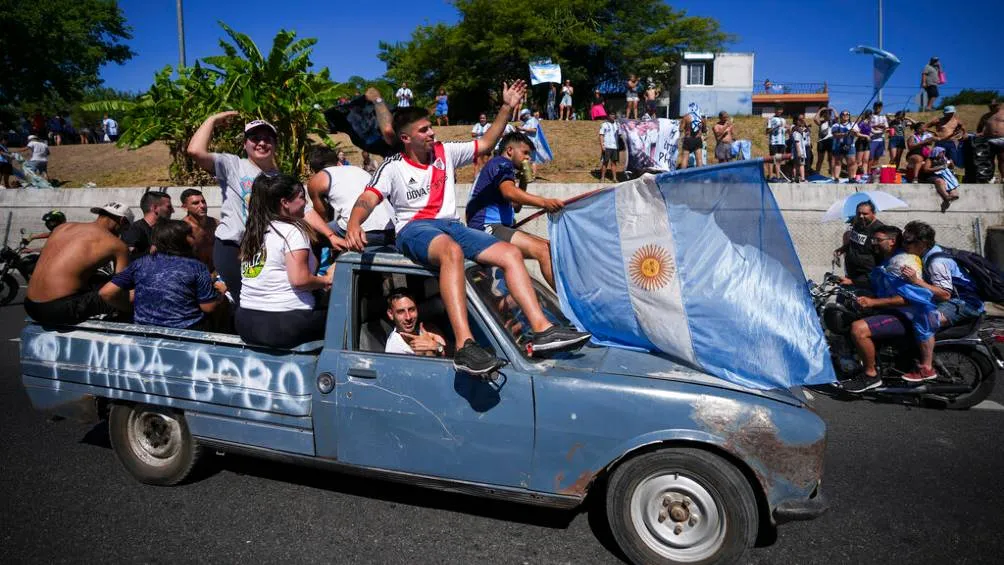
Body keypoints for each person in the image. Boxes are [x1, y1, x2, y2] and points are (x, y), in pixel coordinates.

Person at [345, 81, 590, 375]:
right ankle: (464, 346)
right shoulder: (393, 166)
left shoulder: (444, 152)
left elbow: (486, 143)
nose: (432, 132)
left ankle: (542, 329)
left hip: (451, 225)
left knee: (510, 253)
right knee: (452, 252)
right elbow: (367, 199)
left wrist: (507, 106)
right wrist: (354, 223)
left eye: (431, 127)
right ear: (406, 138)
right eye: (424, 130)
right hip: (415, 229)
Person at [187, 113, 279, 307]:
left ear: (275, 145)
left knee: (261, 300)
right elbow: (195, 151)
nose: (261, 143)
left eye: (267, 139)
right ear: (245, 144)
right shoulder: (233, 165)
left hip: (264, 248)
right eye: (255, 138)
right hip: (232, 245)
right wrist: (211, 120)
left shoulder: (280, 178)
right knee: (242, 299)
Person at [236, 174, 333, 348]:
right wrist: (327, 279)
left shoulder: (253, 230)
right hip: (283, 324)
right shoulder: (292, 231)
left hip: (246, 323)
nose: (306, 204)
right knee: (347, 317)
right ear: (285, 203)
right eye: (302, 198)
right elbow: (299, 280)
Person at [843, 225, 940, 392]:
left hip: (908, 315)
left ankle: (871, 375)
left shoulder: (902, 262)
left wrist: (873, 303)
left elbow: (911, 299)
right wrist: (852, 283)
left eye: (878, 240)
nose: (874, 243)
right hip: (896, 312)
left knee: (858, 329)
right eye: (873, 240)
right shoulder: (889, 259)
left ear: (892, 241)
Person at [466, 131, 564, 289]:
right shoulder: (501, 164)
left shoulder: (500, 168)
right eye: (525, 153)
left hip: (497, 227)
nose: (528, 158)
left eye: (530, 155)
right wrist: (545, 202)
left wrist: (524, 182)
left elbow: (515, 206)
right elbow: (509, 192)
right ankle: (568, 303)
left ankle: (510, 301)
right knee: (543, 249)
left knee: (549, 247)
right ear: (510, 151)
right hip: (486, 228)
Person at [99, 220, 223, 329]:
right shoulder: (196, 266)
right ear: (180, 240)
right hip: (186, 331)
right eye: (190, 235)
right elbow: (208, 307)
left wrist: (130, 307)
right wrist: (221, 293)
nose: (194, 238)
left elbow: (106, 292)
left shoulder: (141, 263)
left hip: (144, 330)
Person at [23, 202, 133, 325]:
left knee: (97, 279)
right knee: (130, 296)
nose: (124, 233)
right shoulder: (117, 245)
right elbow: (119, 288)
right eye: (126, 229)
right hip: (59, 309)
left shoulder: (62, 228)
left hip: (30, 305)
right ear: (122, 221)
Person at [902, 220, 984, 330]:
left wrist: (916, 281)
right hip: (950, 300)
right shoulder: (929, 251)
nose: (904, 245)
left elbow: (945, 294)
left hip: (964, 303)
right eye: (903, 240)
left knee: (925, 321)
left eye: (908, 241)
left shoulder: (937, 263)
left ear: (923, 243)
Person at [304, 161, 395, 253]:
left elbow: (322, 217)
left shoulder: (318, 179)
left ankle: (317, 266)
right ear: (338, 162)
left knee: (313, 234)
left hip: (362, 233)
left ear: (312, 170)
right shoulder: (356, 169)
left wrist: (330, 236)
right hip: (392, 228)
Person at [834, 201, 884, 289]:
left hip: (866, 278)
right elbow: (853, 243)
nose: (861, 216)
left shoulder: (879, 230)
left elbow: (881, 259)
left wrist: (856, 282)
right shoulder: (857, 224)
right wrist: (842, 249)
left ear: (873, 213)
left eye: (865, 214)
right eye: (858, 213)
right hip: (851, 272)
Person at [384, 288, 448, 357]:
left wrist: (436, 346)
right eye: (401, 312)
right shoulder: (393, 351)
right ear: (391, 314)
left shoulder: (429, 329)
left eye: (411, 310)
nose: (408, 317)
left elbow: (452, 355)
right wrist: (428, 352)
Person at [121, 191, 173, 260]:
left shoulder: (164, 230)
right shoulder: (135, 230)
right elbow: (126, 259)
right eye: (169, 207)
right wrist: (150, 251)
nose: (173, 210)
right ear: (155, 208)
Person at [180, 189, 219, 271]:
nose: (202, 205)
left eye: (203, 202)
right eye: (195, 203)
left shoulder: (215, 224)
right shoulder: (182, 228)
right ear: (184, 207)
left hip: (217, 273)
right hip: (194, 275)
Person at [919, 146, 960, 212]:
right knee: (940, 181)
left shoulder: (944, 159)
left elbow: (952, 168)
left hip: (943, 176)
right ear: (936, 152)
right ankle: (946, 196)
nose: (943, 154)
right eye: (941, 153)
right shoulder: (929, 160)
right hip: (932, 176)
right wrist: (939, 168)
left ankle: (952, 195)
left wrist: (951, 164)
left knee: (950, 182)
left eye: (944, 153)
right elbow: (926, 170)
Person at [830, 111, 863, 182]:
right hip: (839, 146)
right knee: (838, 162)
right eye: (843, 114)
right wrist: (845, 134)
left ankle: (851, 178)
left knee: (851, 162)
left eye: (847, 114)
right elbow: (835, 134)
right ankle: (836, 178)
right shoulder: (836, 125)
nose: (845, 115)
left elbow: (857, 134)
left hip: (850, 146)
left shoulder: (853, 124)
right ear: (840, 116)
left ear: (849, 116)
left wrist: (854, 132)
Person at [977, 99, 1004, 180]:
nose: (992, 107)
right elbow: (979, 128)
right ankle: (990, 177)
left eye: (994, 105)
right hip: (989, 140)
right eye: (991, 106)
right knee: (988, 159)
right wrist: (980, 133)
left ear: (999, 106)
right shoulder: (986, 116)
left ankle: (1003, 177)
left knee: (1002, 158)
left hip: (1002, 139)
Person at [680, 102, 705, 169]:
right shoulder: (701, 118)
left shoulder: (686, 117)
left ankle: (683, 175)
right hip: (697, 139)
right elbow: (704, 130)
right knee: (699, 159)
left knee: (685, 158)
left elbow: (681, 129)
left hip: (688, 139)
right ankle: (699, 175)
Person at [765, 108, 786, 181]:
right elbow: (767, 131)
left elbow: (783, 130)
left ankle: (778, 176)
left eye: (781, 110)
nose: (779, 111)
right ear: (775, 111)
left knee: (779, 159)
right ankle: (770, 176)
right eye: (778, 110)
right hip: (774, 142)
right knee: (772, 159)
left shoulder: (783, 119)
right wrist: (776, 127)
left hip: (782, 142)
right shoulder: (771, 119)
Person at [598, 112, 620, 182]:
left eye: (613, 114)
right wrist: (602, 145)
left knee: (614, 163)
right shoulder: (604, 124)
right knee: (605, 162)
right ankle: (602, 177)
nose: (612, 116)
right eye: (611, 115)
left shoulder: (618, 124)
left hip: (615, 147)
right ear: (608, 116)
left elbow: (620, 134)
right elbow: (601, 135)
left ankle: (614, 178)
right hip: (607, 146)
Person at [868, 102, 888, 175]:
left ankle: (871, 171)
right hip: (872, 139)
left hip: (881, 139)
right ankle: (868, 172)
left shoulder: (883, 117)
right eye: (876, 107)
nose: (878, 109)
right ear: (873, 107)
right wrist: (877, 125)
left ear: (881, 108)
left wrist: (884, 128)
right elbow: (868, 126)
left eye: (879, 107)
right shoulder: (871, 116)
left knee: (877, 158)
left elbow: (886, 127)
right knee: (870, 157)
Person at [814, 107, 835, 175]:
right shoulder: (821, 122)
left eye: (829, 114)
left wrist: (833, 109)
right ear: (823, 115)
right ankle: (817, 174)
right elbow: (815, 119)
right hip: (821, 142)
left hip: (831, 141)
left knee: (831, 159)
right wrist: (820, 110)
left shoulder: (833, 122)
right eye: (825, 114)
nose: (827, 116)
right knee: (820, 159)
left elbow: (837, 116)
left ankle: (832, 175)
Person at [854, 111, 873, 179]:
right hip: (860, 143)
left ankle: (864, 175)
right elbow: (857, 133)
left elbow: (871, 132)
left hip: (867, 143)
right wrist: (866, 136)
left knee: (865, 160)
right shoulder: (861, 123)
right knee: (858, 161)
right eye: (871, 115)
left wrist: (882, 131)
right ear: (869, 115)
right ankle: (854, 175)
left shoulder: (869, 123)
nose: (872, 117)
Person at [790, 117, 807, 183]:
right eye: (799, 120)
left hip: (796, 151)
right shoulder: (796, 132)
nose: (801, 122)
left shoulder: (797, 132)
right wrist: (799, 152)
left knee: (795, 164)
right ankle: (802, 178)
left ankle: (794, 177)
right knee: (801, 164)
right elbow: (797, 142)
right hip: (799, 151)